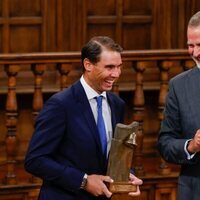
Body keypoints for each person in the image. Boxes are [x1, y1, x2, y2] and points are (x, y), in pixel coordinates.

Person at [25, 36, 143, 200]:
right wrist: (83, 181)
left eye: (119, 67)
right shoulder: (60, 105)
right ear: (88, 65)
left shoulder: (117, 104)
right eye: (109, 67)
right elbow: (35, 160)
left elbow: (113, 155)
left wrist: (127, 176)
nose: (116, 74)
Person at [157, 11, 200, 200]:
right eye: (191, 46)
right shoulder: (178, 85)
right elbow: (165, 143)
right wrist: (191, 146)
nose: (195, 53)